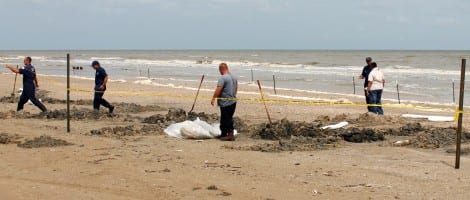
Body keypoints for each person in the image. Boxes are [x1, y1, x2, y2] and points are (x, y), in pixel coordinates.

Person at [211, 63, 238, 141]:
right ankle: (223, 133)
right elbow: (236, 87)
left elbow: (219, 89)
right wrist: (233, 95)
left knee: (227, 118)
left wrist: (213, 98)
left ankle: (230, 134)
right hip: (233, 101)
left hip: (225, 102)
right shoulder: (234, 77)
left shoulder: (223, 78)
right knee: (224, 118)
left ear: (221, 69)